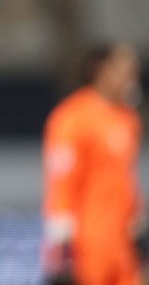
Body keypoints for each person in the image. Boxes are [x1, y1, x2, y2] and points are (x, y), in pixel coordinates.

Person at [42, 43, 145, 285]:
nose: (133, 78)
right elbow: (62, 182)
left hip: (122, 243)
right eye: (126, 70)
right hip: (86, 245)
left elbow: (126, 179)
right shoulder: (72, 118)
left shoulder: (128, 119)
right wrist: (61, 245)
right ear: (103, 71)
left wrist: (137, 226)